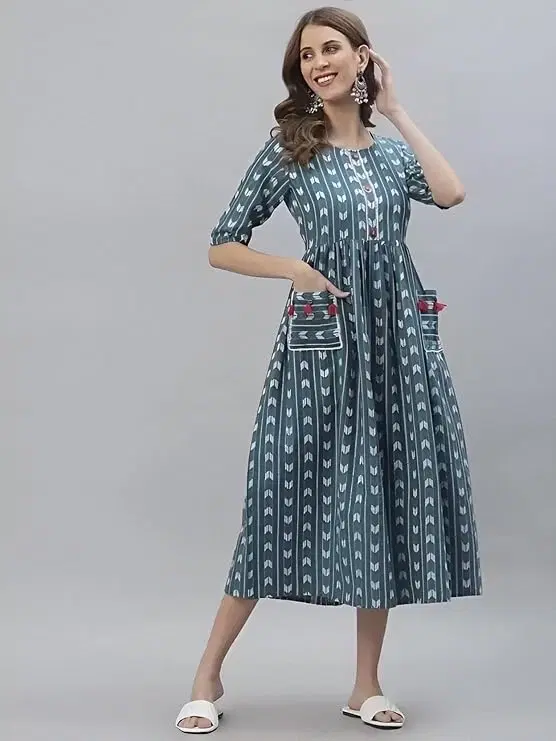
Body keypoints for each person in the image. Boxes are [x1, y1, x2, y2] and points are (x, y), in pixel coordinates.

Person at [175, 5, 482, 734]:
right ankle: (207, 676)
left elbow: (450, 192)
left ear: (362, 58)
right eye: (307, 55)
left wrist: (397, 109)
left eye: (331, 48)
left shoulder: (390, 155)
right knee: (276, 500)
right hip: (320, 347)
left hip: (396, 347)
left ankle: (365, 684)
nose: (318, 63)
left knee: (380, 498)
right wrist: (293, 269)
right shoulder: (290, 148)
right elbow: (222, 243)